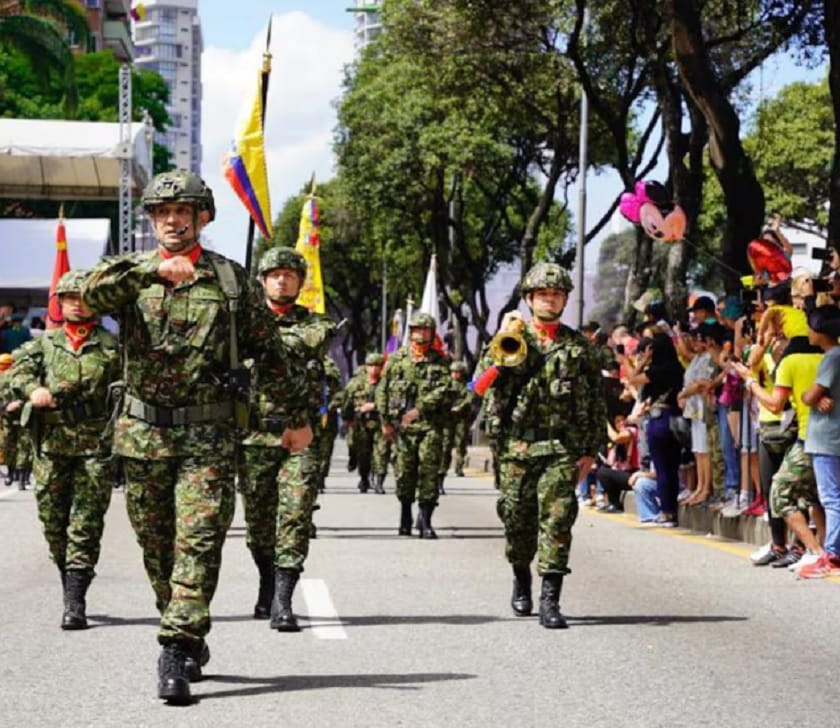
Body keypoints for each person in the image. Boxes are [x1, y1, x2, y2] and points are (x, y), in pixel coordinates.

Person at [82, 170, 293, 705]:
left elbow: (270, 351)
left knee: (198, 542)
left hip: (207, 437)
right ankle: (183, 621)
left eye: (183, 212)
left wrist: (293, 416)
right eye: (162, 213)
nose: (172, 221)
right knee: (157, 548)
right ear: (152, 219)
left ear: (203, 217)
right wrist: (150, 269)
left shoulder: (230, 280)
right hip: (143, 435)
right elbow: (87, 295)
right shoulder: (130, 274)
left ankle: (176, 645)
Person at [473, 262, 605, 628]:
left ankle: (550, 601)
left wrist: (590, 451)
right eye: (543, 294)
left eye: (556, 294)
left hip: (560, 449)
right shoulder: (511, 337)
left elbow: (596, 403)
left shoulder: (579, 347)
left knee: (558, 520)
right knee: (517, 520)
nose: (550, 300)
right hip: (517, 447)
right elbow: (479, 386)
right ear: (529, 299)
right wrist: (504, 342)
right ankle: (521, 575)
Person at [8, 270, 120, 629]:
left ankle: (75, 600)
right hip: (51, 445)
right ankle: (67, 577)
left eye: (82, 297)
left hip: (94, 444)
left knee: (85, 523)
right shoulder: (46, 343)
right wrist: (32, 390)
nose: (76, 304)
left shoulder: (112, 347)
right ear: (60, 303)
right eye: (69, 298)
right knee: (53, 522)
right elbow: (15, 373)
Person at [240, 246, 333, 632]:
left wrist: (251, 333)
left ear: (299, 283)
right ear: (262, 281)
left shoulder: (315, 324)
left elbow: (296, 346)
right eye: (275, 275)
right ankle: (266, 580)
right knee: (259, 524)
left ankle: (283, 600)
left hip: (299, 433)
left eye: (289, 275)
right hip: (253, 436)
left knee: (294, 516)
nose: (282, 281)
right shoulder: (240, 324)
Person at [377, 312, 454, 539]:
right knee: (404, 473)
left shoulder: (440, 361)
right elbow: (383, 390)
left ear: (432, 333)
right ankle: (405, 516)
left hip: (430, 426)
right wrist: (385, 422)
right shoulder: (397, 359)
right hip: (403, 429)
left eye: (425, 329)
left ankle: (426, 521)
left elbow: (446, 389)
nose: (420, 333)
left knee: (429, 473)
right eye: (416, 329)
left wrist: (419, 409)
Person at [797, 303, 840, 578]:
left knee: (831, 498)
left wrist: (811, 396)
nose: (809, 332)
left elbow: (810, 396)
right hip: (832, 436)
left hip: (827, 437)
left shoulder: (832, 358)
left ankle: (832, 554)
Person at [626, 332, 685, 527]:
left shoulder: (657, 370)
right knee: (673, 468)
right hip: (676, 420)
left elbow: (632, 379)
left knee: (661, 467)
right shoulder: (677, 367)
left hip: (659, 419)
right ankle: (672, 510)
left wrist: (642, 361)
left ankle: (666, 512)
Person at [343, 353, 386, 494]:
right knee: (363, 453)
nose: (374, 369)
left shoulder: (386, 382)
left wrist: (375, 406)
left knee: (381, 452)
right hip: (361, 424)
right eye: (371, 365)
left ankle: (379, 482)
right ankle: (364, 478)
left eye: (377, 366)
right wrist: (347, 419)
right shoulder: (356, 383)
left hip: (381, 422)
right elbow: (347, 401)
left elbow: (395, 401)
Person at [438, 360, 474, 487]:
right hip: (448, 418)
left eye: (457, 372)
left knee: (461, 443)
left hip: (462, 418)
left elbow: (470, 397)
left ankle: (459, 466)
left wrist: (461, 406)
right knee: (446, 444)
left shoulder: (468, 384)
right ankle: (443, 467)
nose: (455, 374)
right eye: (453, 372)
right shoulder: (447, 383)